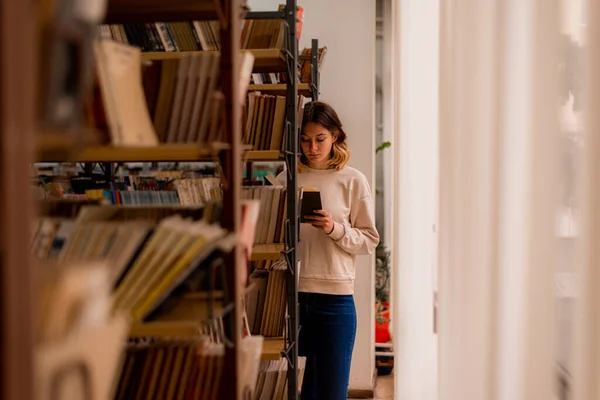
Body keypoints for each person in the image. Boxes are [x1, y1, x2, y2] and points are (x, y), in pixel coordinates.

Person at [277, 101, 379, 399]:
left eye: (320, 139)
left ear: (335, 136)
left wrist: (334, 228)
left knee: (332, 392)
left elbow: (369, 240)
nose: (312, 147)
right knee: (305, 393)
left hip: (334, 299)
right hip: (290, 297)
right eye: (305, 140)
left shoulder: (353, 180)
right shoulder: (286, 179)